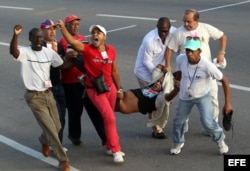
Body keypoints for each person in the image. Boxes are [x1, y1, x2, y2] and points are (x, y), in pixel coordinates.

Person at [57, 21, 125, 163]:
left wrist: (119, 89)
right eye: (93, 32)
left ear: (104, 37)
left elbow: (115, 71)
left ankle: (109, 144)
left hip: (110, 88)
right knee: (110, 118)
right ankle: (116, 150)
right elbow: (72, 42)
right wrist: (63, 29)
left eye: (98, 32)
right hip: (95, 90)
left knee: (109, 117)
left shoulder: (111, 50)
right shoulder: (87, 49)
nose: (95, 34)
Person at [9, 25, 72, 171]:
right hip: (34, 97)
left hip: (48, 94)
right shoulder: (25, 52)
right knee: (50, 128)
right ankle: (63, 160)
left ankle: (44, 140)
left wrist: (75, 59)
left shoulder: (49, 53)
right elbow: (14, 52)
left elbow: (62, 65)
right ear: (30, 39)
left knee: (57, 126)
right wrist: (15, 35)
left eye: (40, 37)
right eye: (35, 37)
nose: (38, 39)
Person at [164, 9, 227, 131]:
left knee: (213, 97)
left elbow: (222, 36)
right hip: (187, 73)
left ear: (197, 20)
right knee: (185, 100)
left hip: (206, 71)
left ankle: (212, 126)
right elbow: (169, 49)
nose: (185, 24)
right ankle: (183, 124)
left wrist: (221, 53)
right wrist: (168, 65)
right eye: (184, 21)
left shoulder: (205, 28)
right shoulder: (179, 33)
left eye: (189, 22)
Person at [169, 38, 233, 155]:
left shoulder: (207, 66)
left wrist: (227, 103)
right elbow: (179, 72)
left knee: (208, 123)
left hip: (202, 95)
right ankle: (178, 142)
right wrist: (177, 81)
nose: (189, 53)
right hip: (185, 96)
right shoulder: (181, 59)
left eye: (192, 51)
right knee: (178, 122)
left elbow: (225, 81)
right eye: (187, 50)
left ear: (199, 51)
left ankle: (220, 141)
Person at [59, 14, 106, 146]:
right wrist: (70, 57)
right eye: (72, 24)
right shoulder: (62, 42)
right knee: (76, 110)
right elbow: (61, 62)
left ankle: (105, 137)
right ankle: (74, 136)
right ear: (66, 26)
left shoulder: (83, 39)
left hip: (85, 81)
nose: (76, 26)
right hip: (70, 83)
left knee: (94, 109)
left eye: (77, 24)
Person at [134, 17, 176, 139]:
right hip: (145, 73)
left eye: (166, 31)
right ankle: (156, 129)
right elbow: (147, 62)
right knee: (153, 100)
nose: (164, 33)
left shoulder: (173, 32)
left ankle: (157, 121)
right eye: (161, 31)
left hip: (161, 71)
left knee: (162, 98)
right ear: (157, 28)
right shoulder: (150, 40)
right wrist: (158, 75)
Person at [40, 19, 67, 151]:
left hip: (58, 85)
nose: (52, 32)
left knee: (62, 116)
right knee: (54, 118)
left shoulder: (59, 45)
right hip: (46, 88)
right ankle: (55, 145)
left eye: (54, 29)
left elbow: (62, 64)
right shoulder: (39, 46)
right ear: (43, 31)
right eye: (49, 29)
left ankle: (56, 143)